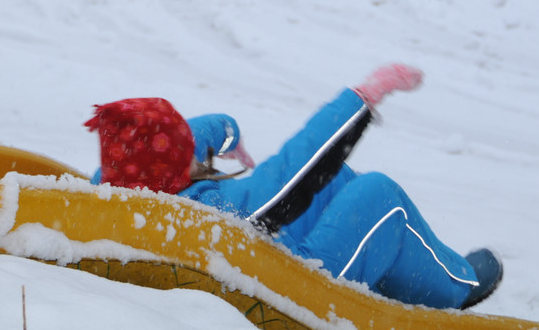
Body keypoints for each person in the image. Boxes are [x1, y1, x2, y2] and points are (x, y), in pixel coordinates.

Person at [84, 64, 503, 310]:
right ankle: (457, 286)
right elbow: (293, 169)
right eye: (186, 155)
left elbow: (165, 145)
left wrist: (225, 131)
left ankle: (392, 267)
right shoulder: (215, 214)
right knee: (377, 197)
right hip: (302, 288)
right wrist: (362, 97)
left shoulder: (118, 184)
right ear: (170, 169)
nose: (195, 156)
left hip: (264, 259)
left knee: (335, 183)